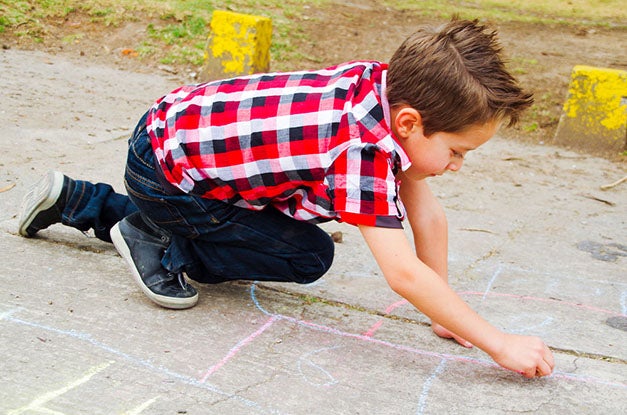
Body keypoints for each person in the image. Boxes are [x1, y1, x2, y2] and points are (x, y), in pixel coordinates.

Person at [19, 18, 554, 378]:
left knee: (270, 225)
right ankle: (154, 240)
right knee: (305, 254)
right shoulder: (361, 148)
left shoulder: (387, 91)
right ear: (411, 122)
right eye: (458, 151)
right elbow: (403, 274)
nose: (457, 166)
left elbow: (426, 214)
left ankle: (81, 202)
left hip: (168, 138)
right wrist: (498, 343)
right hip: (168, 175)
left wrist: (447, 315)